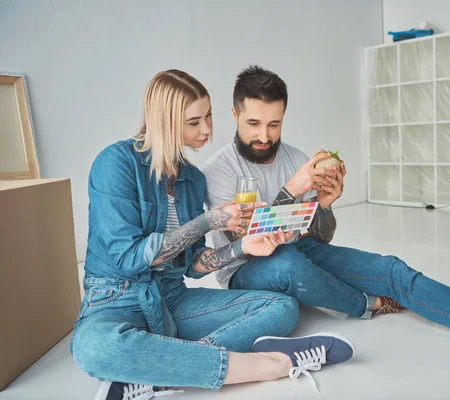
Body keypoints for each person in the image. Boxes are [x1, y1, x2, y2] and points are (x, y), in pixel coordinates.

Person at [203, 65, 450, 361]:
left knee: (391, 269)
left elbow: (317, 237)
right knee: (287, 265)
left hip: (299, 252)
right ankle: (365, 304)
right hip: (248, 272)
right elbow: (246, 244)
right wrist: (292, 190)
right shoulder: (219, 171)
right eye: (253, 123)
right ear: (235, 114)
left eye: (274, 123)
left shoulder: (298, 158)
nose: (264, 135)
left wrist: (326, 205)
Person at [70, 70, 355, 400]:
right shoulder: (115, 163)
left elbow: (193, 265)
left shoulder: (192, 178)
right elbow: (128, 257)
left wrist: (242, 248)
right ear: (164, 121)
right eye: (194, 122)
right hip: (116, 299)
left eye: (208, 116)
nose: (207, 129)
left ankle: (155, 371)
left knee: (282, 308)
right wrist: (211, 220)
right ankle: (270, 364)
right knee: (93, 350)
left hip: (172, 298)